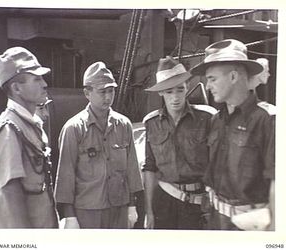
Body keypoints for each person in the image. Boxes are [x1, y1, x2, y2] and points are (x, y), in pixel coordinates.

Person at [191, 39, 275, 230]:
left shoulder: (267, 120)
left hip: (250, 227)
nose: (208, 85)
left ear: (234, 77)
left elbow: (278, 184)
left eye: (212, 79)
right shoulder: (217, 120)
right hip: (216, 221)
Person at [54, 61, 143, 229]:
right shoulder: (74, 129)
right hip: (87, 212)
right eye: (102, 92)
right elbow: (66, 176)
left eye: (111, 91)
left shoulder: (124, 125)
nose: (108, 97)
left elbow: (131, 171)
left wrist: (132, 205)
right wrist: (69, 216)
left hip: (119, 210)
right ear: (87, 93)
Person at [142, 56, 217, 229]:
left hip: (199, 203)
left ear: (187, 87)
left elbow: (216, 163)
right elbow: (150, 168)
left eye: (179, 90)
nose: (175, 97)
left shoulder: (206, 118)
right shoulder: (151, 123)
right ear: (161, 93)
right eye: (169, 92)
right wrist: (149, 211)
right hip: (164, 202)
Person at [0, 47, 58, 228]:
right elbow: (11, 200)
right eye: (36, 79)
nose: (44, 84)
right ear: (16, 88)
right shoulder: (9, 130)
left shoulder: (30, 124)